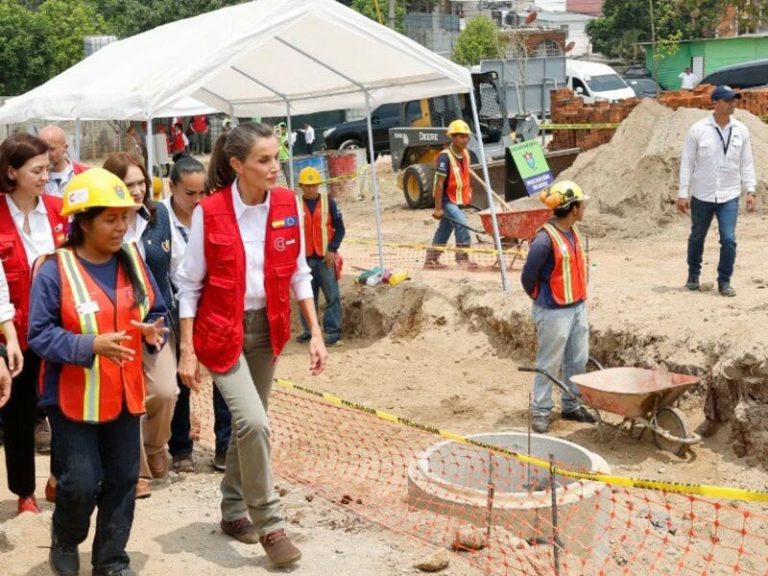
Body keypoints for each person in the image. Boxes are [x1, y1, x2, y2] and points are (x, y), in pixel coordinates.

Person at [176, 122, 327, 567]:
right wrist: (187, 349)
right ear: (238, 165)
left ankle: (231, 509)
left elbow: (300, 271)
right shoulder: (211, 211)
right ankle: (271, 524)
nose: (275, 167)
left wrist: (315, 332)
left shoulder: (287, 204)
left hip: (269, 329)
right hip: (221, 331)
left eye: (276, 157)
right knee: (256, 424)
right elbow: (188, 285)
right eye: (264, 160)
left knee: (250, 425)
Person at [28, 168, 168, 576]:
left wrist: (150, 332)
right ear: (83, 221)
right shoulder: (54, 268)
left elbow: (155, 311)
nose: (121, 226)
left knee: (124, 480)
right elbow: (39, 334)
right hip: (73, 397)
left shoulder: (133, 262)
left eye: (124, 217)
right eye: (110, 218)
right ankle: (66, 537)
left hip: (124, 393)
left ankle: (111, 560)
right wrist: (90, 345)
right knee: (81, 483)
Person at [0, 133, 68, 515]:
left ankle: (59, 478)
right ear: (12, 172)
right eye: (37, 169)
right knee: (20, 416)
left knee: (64, 409)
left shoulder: (60, 212)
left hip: (57, 332)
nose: (46, 176)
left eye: (47, 168)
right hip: (12, 333)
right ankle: (24, 491)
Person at [103, 152, 178, 499]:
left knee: (166, 390)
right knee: (125, 397)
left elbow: (177, 267)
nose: (136, 190)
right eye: (127, 184)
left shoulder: (160, 216)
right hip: (115, 322)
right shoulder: (103, 221)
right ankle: (134, 471)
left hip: (156, 320)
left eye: (141, 182)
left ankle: (155, 444)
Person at [162, 152, 232, 473]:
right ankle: (180, 448)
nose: (197, 199)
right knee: (182, 376)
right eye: (189, 193)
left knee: (225, 378)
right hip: (177, 309)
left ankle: (225, 446)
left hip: (214, 307)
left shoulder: (211, 214)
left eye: (202, 192)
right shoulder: (159, 219)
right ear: (171, 186)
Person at [520, 180, 596, 434]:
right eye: (581, 205)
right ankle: (541, 410)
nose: (584, 208)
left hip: (576, 307)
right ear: (572, 208)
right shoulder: (543, 240)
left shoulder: (572, 231)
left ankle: (571, 404)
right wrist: (542, 300)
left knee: (578, 359)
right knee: (549, 362)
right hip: (554, 311)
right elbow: (527, 278)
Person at [678, 85, 757, 297]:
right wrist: (683, 193)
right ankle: (693, 275)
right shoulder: (698, 129)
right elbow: (687, 163)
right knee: (697, 236)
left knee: (729, 239)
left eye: (734, 100)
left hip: (729, 195)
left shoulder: (741, 130)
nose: (733, 103)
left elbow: (746, 162)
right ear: (715, 102)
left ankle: (724, 281)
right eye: (728, 99)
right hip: (702, 194)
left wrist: (751, 190)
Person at [296, 167, 345, 346]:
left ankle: (333, 331)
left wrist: (332, 249)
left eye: (313, 185)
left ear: (319, 185)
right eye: (307, 185)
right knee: (307, 296)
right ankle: (309, 330)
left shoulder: (329, 202)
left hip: (325, 258)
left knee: (332, 295)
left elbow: (340, 228)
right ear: (301, 186)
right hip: (304, 258)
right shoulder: (295, 204)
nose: (310, 189)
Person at [424, 119, 477, 269]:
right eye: (461, 136)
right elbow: (439, 183)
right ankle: (462, 258)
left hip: (458, 198)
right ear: (452, 137)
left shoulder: (466, 154)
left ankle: (431, 259)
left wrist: (467, 194)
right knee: (462, 224)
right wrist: (438, 208)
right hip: (446, 200)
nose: (465, 139)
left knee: (445, 228)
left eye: (466, 136)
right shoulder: (444, 157)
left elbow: (464, 175)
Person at [39, 125, 89, 197]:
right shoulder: (33, 181)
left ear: (65, 148)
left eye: (51, 149)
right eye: (41, 149)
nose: (46, 154)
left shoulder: (85, 175)